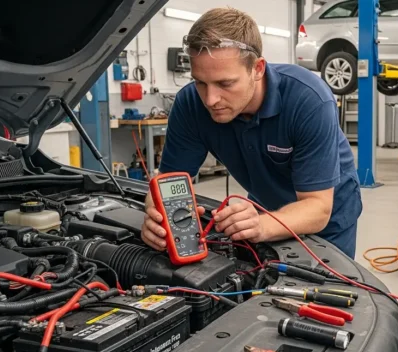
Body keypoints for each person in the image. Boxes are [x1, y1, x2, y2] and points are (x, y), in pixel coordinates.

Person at [140, 7, 362, 258]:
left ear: (257, 69)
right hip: (265, 208)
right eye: (200, 82)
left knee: (324, 291)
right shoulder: (190, 104)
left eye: (225, 83)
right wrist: (157, 219)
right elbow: (166, 186)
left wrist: (263, 225)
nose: (211, 99)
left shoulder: (308, 100)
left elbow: (318, 207)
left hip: (324, 217)